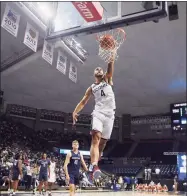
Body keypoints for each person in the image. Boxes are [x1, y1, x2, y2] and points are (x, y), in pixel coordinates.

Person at [72, 52, 116, 179]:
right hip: (98, 113)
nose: (98, 69)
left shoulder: (108, 79)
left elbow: (110, 66)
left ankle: (94, 162)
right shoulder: (91, 88)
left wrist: (111, 55)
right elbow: (83, 101)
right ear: (94, 75)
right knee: (96, 137)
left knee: (103, 143)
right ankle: (94, 165)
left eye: (100, 68)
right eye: (96, 69)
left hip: (110, 115)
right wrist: (75, 111)